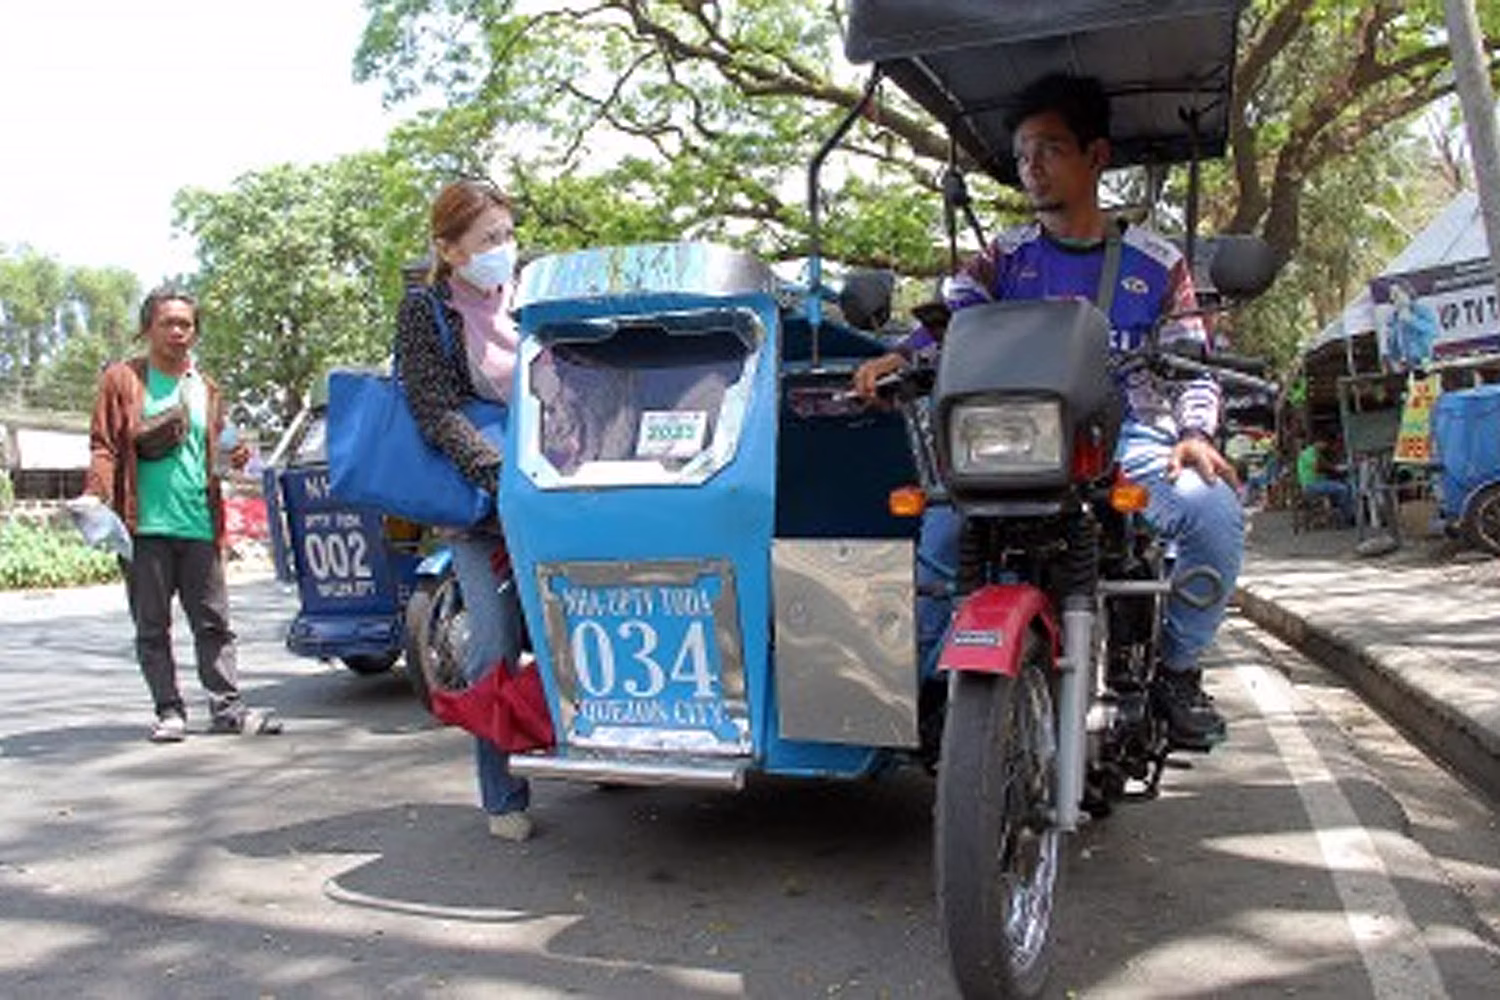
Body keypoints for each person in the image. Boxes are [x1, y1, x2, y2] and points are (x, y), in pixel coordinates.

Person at [854, 73, 1242, 750]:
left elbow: (1192, 361)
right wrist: (901, 355)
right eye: (1024, 153)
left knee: (1210, 509)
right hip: (1014, 443)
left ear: (1095, 157)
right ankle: (928, 686)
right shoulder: (1003, 258)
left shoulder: (1158, 263)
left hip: (1127, 441)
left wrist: (1197, 433)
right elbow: (954, 323)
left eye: (1050, 150)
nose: (1032, 167)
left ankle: (1176, 672)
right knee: (941, 543)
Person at [397, 179, 533, 841]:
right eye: (487, 241)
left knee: (575, 626)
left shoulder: (533, 293)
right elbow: (432, 409)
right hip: (481, 507)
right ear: (449, 251)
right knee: (494, 642)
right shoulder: (426, 312)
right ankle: (501, 792)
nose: (502, 251)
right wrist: (493, 472)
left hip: (555, 492)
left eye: (507, 236)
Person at [85, 286, 281, 742]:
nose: (177, 332)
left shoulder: (205, 388)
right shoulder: (123, 380)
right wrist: (95, 496)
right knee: (152, 626)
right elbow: (104, 445)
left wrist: (234, 456)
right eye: (167, 323)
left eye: (186, 324)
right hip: (144, 527)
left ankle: (227, 709)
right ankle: (169, 711)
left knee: (214, 623)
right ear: (147, 328)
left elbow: (215, 447)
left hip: (198, 523)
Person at [1297, 436, 1354, 525]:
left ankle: (1341, 513)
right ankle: (1347, 517)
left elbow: (1325, 464)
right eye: (1324, 443)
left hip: (1317, 482)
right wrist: (1334, 468)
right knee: (1343, 489)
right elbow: (1317, 466)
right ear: (1318, 442)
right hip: (1312, 485)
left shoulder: (1316, 453)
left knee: (1344, 485)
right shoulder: (1309, 453)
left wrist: (1334, 467)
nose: (1325, 446)